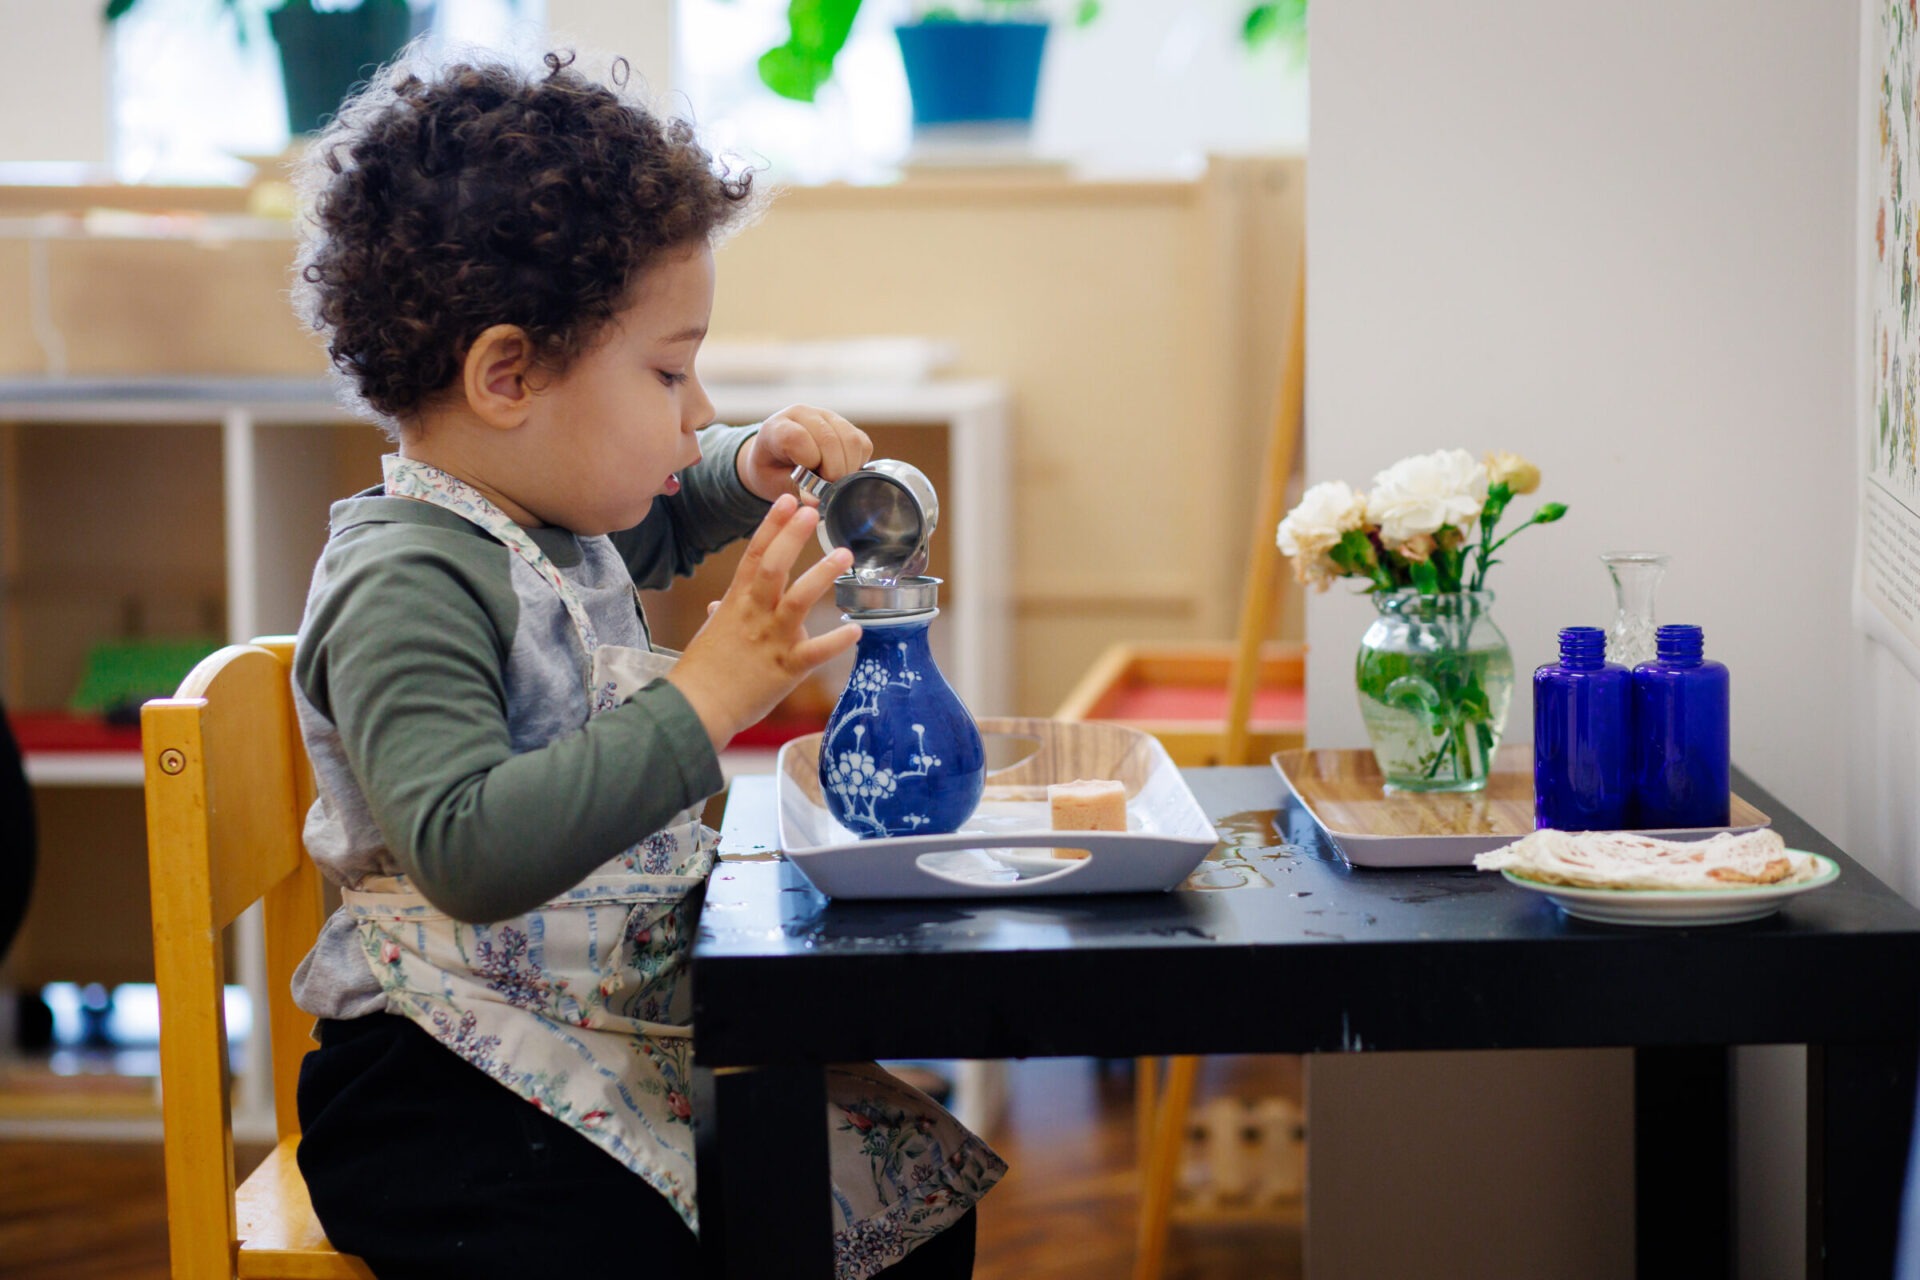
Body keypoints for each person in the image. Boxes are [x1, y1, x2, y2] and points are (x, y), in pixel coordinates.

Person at [283, 48, 1002, 1279]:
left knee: (896, 1193)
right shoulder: (405, 577)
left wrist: (748, 462)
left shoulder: (549, 513)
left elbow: (657, 513)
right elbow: (466, 844)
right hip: (444, 1092)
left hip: (597, 1037)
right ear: (507, 375)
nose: (694, 403)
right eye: (669, 372)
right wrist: (712, 691)